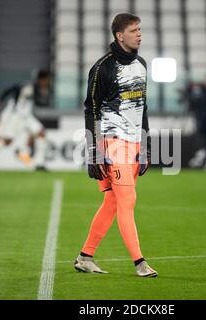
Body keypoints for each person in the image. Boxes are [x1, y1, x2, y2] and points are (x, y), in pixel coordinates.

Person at [74, 13, 157, 277]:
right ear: (120, 36)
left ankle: (85, 256)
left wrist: (145, 146)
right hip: (111, 143)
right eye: (134, 30)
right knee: (127, 199)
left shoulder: (142, 65)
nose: (139, 34)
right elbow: (91, 111)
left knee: (112, 202)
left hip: (133, 143)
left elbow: (142, 108)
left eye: (140, 29)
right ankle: (140, 263)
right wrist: (93, 153)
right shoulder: (103, 68)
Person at [0, 70, 50, 172]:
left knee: (40, 133)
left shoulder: (38, 89)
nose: (47, 83)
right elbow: (14, 89)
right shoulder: (29, 86)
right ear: (42, 79)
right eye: (46, 80)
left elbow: (35, 102)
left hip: (26, 116)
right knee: (6, 140)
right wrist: (3, 96)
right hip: (15, 115)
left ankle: (39, 163)